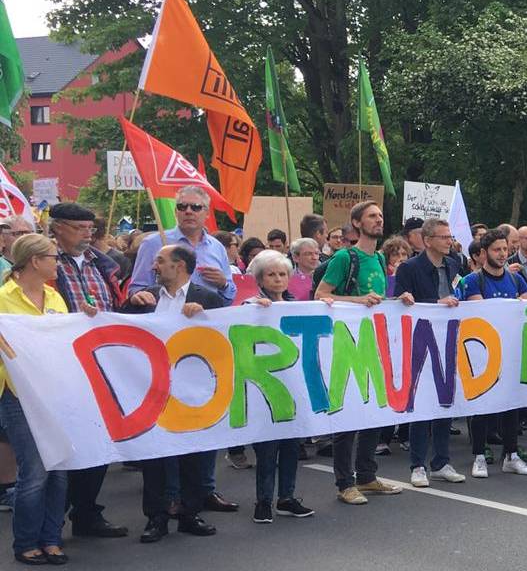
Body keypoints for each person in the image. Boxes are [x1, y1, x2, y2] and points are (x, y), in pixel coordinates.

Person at [122, 244, 228, 544]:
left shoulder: (207, 298)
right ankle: (156, 517)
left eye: (160, 260)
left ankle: (189, 513)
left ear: (179, 266)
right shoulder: (147, 298)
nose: (154, 266)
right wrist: (130, 302)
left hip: (191, 390)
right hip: (152, 388)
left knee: (192, 453)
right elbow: (119, 328)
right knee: (154, 455)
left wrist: (204, 316)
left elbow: (225, 338)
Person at [45, 203, 129, 541]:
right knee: (66, 445)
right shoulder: (47, 263)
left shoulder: (103, 264)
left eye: (90, 228)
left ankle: (86, 510)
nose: (88, 233)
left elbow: (117, 305)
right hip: (64, 366)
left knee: (100, 440)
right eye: (80, 228)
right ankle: (52, 514)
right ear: (59, 228)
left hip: (103, 364)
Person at [315, 201, 407, 505]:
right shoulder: (345, 257)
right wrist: (357, 301)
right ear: (356, 223)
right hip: (347, 343)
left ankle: (367, 477)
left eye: (380, 216)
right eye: (371, 216)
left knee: (373, 411)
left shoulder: (380, 259)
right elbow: (322, 295)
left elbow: (377, 300)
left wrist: (398, 300)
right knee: (348, 415)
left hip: (375, 343)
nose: (378, 220)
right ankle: (345, 482)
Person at [0, 234, 72, 563]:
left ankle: (51, 537)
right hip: (17, 395)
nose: (57, 262)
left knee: (58, 469)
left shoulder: (55, 297)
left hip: (55, 395)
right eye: (53, 257)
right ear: (35, 261)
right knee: (34, 471)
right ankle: (26, 541)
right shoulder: (3, 298)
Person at [239, 250, 317, 524]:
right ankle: (263, 501)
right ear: (260, 278)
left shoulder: (297, 305)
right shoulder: (250, 306)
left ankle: (286, 497)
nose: (277, 279)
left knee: (291, 446)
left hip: (293, 389)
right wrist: (252, 312)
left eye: (282, 274)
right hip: (263, 390)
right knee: (267, 449)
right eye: (271, 274)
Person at [455, 228, 527, 478]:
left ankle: (511, 455)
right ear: (483, 254)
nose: (502, 254)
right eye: (496, 250)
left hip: (511, 350)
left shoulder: (516, 280)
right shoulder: (472, 281)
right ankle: (479, 455)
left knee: (511, 404)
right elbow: (484, 314)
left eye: (505, 249)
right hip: (482, 352)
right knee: (482, 404)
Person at [392, 218, 466, 487]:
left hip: (449, 337)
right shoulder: (409, 269)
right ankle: (418, 465)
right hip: (420, 340)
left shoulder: (454, 264)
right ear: (427, 241)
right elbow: (401, 305)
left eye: (449, 236)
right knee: (422, 405)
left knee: (445, 402)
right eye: (443, 237)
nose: (449, 241)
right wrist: (436, 303)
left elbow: (459, 293)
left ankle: (441, 461)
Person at [129, 185, 237, 303]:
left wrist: (223, 284)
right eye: (182, 207)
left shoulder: (217, 247)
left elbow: (230, 296)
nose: (188, 211)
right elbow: (137, 289)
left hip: (206, 317)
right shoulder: (153, 243)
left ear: (207, 213)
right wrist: (140, 295)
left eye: (196, 207)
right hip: (166, 316)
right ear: (176, 212)